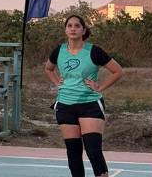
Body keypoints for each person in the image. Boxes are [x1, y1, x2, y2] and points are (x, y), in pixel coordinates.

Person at [44, 14, 124, 177]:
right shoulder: (59, 51)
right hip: (65, 105)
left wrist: (100, 86)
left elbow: (118, 71)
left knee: (93, 151)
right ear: (65, 30)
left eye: (77, 26)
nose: (73, 28)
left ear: (83, 30)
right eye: (69, 26)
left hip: (89, 105)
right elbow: (48, 68)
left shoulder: (94, 51)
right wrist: (56, 82)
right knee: (73, 153)